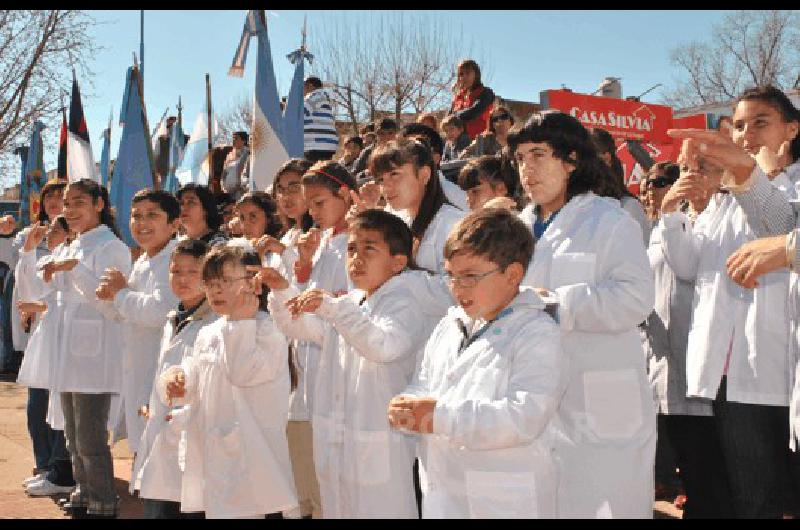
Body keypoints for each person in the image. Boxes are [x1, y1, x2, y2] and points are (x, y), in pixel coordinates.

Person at [511, 112, 656, 518]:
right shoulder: (517, 228)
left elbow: (637, 297)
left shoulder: (610, 220)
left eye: (539, 154)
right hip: (537, 395)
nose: (527, 168)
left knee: (607, 503)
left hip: (601, 397)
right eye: (521, 157)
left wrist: (559, 305)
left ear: (571, 160)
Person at [666, 84, 800, 518]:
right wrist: (676, 212)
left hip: (776, 366)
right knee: (749, 497)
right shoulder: (723, 202)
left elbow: (780, 227)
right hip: (729, 375)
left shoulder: (788, 191)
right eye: (739, 125)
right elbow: (689, 269)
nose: (747, 134)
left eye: (761, 123)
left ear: (792, 129)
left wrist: (745, 178)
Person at [266, 209, 451, 518]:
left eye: (370, 248)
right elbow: (303, 328)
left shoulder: (406, 301)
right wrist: (281, 289)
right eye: (352, 248)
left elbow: (384, 346)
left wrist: (333, 309)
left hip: (382, 445)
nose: (357, 257)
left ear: (398, 261)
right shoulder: (353, 301)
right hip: (343, 443)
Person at [388, 208, 565, 518]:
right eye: (451, 276)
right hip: (444, 496)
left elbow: (524, 416)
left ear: (513, 275)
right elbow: (425, 380)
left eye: (470, 276)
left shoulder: (536, 332)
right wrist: (411, 404)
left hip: (505, 501)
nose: (457, 287)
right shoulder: (450, 324)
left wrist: (439, 417)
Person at [159, 242, 297, 519]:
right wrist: (177, 380)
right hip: (215, 460)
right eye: (210, 283)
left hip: (253, 461)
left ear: (253, 281)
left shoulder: (268, 330)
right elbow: (195, 378)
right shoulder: (209, 331)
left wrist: (242, 323)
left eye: (225, 281)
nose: (216, 290)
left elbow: (242, 372)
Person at [642, 162, 732, 518]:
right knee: (691, 465)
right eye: (681, 172)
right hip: (666, 363)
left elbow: (686, 269)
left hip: (704, 364)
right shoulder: (664, 226)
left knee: (710, 464)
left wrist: (670, 219)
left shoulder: (720, 220)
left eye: (700, 170)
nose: (686, 181)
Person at [43, 179, 132, 519]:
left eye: (78, 202)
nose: (70, 210)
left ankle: (105, 498)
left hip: (95, 358)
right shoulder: (75, 244)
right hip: (69, 354)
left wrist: (75, 270)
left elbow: (111, 303)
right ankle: (83, 490)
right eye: (67, 203)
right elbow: (57, 291)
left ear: (98, 204)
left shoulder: (112, 247)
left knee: (91, 437)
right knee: (72, 434)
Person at [130, 238, 215, 519]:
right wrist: (151, 402)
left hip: (194, 436)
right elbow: (162, 369)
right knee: (158, 501)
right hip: (162, 429)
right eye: (176, 271)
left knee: (190, 505)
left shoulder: (215, 323)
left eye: (193, 272)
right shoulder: (173, 318)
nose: (183, 279)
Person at [95, 190, 181, 458]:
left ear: (174, 224)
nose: (142, 223)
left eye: (152, 215)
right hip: (139, 371)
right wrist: (109, 298)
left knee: (160, 461)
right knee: (143, 454)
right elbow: (126, 315)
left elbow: (161, 311)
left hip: (163, 371)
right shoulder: (144, 260)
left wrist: (121, 294)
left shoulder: (177, 260)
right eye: (136, 216)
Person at [17, 215, 76, 497]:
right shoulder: (52, 259)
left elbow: (57, 301)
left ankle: (59, 469)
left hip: (61, 342)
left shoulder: (69, 259)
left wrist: (36, 306)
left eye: (55, 229)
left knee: (56, 409)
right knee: (38, 407)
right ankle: (47, 466)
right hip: (46, 340)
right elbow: (29, 286)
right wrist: (28, 251)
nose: (48, 233)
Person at [367, 138, 465, 275]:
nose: (386, 187)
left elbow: (457, 289)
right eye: (380, 180)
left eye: (394, 174)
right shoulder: (396, 219)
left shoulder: (454, 225)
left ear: (424, 175)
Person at [590, 128, 652, 244]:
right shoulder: (575, 207)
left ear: (606, 158)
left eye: (584, 157)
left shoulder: (628, 208)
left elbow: (641, 256)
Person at [401, 123, 469, 211]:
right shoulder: (395, 198)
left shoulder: (460, 201)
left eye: (413, 152)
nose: (402, 159)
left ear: (435, 158)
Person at [449, 59, 495, 141]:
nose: (464, 77)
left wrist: (454, 116)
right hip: (455, 142)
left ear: (476, 74)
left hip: (478, 142)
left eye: (467, 73)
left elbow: (474, 112)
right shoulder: (458, 97)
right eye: (461, 74)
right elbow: (448, 120)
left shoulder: (486, 92)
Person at [303, 76, 339, 163]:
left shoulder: (316, 95)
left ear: (310, 86)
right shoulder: (323, 97)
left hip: (317, 145)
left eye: (303, 87)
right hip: (322, 144)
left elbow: (299, 113)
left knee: (312, 173)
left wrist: (283, 107)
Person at [220, 131, 251, 200]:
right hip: (228, 193)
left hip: (241, 192)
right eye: (233, 138)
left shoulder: (248, 154)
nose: (233, 140)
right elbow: (224, 173)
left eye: (236, 138)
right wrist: (223, 186)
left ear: (244, 141)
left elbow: (247, 173)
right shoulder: (229, 155)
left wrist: (240, 186)